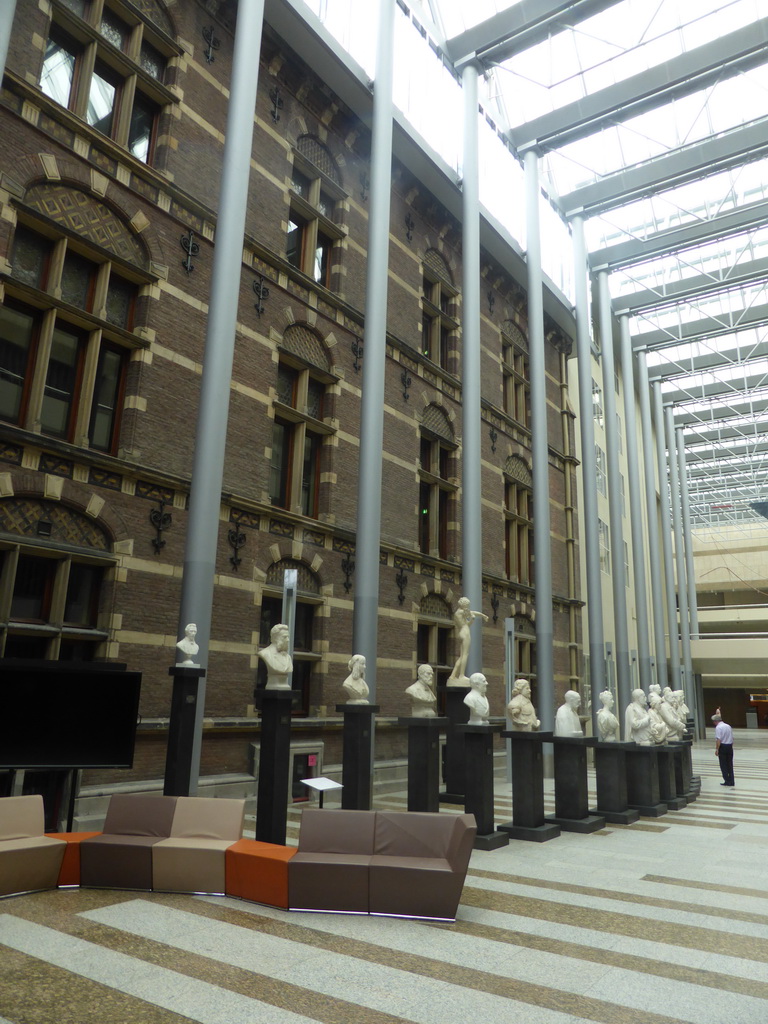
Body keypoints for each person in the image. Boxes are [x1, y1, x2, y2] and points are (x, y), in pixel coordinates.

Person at [447, 596, 489, 685]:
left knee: (462, 656)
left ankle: (453, 675)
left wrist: (472, 619)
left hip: (461, 632)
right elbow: (472, 614)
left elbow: (467, 624)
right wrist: (483, 615)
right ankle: (461, 675)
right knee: (465, 655)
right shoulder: (463, 612)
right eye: (467, 605)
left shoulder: (458, 613)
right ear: (464, 605)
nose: (468, 607)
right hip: (465, 633)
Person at [258, 623, 293, 689]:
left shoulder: (288, 657)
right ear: (275, 639)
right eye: (285, 637)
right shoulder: (265, 654)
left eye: (288, 637)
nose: (288, 640)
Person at [712, 711, 735, 787]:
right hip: (729, 746)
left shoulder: (718, 728)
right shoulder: (728, 726)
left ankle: (727, 781)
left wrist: (717, 749)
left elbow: (718, 740)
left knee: (723, 765)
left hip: (723, 747)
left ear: (716, 721)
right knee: (730, 764)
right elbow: (732, 737)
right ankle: (732, 781)